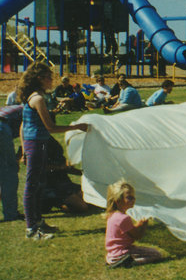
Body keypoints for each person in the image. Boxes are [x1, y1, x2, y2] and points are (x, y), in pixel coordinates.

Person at [18, 62, 89, 240]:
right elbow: (50, 127)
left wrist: (24, 147)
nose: (52, 80)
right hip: (35, 144)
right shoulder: (38, 99)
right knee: (31, 186)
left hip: (36, 144)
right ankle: (31, 229)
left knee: (39, 184)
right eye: (49, 77)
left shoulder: (38, 96)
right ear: (40, 79)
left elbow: (23, 125)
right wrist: (77, 127)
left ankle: (39, 222)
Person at [104, 180, 165, 268]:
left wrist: (138, 225)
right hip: (123, 252)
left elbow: (126, 231)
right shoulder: (124, 218)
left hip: (113, 253)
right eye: (129, 197)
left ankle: (114, 260)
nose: (133, 200)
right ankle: (128, 262)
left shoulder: (113, 215)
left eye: (133, 197)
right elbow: (137, 236)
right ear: (118, 200)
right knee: (156, 254)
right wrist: (144, 226)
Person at [0, 104, 23, 223]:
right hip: (1, 128)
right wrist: (18, 158)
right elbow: (26, 135)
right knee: (9, 173)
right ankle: (11, 213)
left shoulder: (13, 108)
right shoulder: (30, 110)